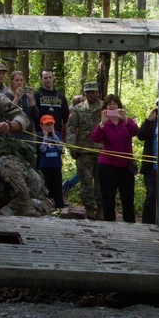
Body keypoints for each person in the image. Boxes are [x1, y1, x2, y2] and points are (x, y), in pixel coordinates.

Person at [90, 94, 139, 222]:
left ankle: (130, 224)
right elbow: (95, 138)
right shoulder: (104, 124)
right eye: (109, 104)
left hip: (125, 167)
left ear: (119, 106)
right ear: (105, 108)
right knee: (108, 198)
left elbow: (135, 132)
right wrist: (102, 123)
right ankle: (109, 225)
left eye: (115, 104)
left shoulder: (126, 121)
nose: (112, 106)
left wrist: (126, 120)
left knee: (127, 198)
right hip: (107, 166)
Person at [67, 83, 104, 219]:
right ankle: (89, 207)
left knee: (101, 180)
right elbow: (71, 128)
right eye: (88, 93)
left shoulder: (104, 107)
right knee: (86, 180)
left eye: (93, 92)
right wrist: (72, 147)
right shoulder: (78, 109)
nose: (90, 95)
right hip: (84, 150)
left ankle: (101, 207)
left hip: (102, 150)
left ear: (97, 92)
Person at [37, 114, 65, 209]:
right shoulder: (39, 135)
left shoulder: (56, 134)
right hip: (45, 166)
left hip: (56, 165)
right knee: (46, 187)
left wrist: (53, 135)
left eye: (51, 124)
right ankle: (47, 205)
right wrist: (45, 137)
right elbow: (42, 149)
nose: (49, 127)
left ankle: (59, 205)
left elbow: (60, 147)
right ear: (42, 125)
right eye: (47, 125)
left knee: (58, 187)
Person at [137, 101, 159, 224]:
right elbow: (140, 136)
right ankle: (147, 223)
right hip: (150, 166)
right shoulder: (152, 122)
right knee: (150, 194)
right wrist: (148, 119)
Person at [61, 94, 86, 196]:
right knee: (82, 172)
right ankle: (67, 185)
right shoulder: (73, 115)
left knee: (84, 172)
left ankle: (67, 185)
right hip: (78, 147)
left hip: (88, 146)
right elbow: (70, 132)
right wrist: (72, 147)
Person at [34, 69, 70, 140]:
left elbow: (66, 119)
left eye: (50, 77)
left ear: (53, 78)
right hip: (40, 134)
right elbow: (33, 115)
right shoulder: (36, 95)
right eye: (45, 78)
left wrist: (66, 136)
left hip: (56, 134)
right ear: (41, 79)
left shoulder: (61, 97)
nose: (48, 80)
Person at [8, 71, 39, 144]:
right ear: (12, 82)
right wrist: (17, 97)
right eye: (17, 80)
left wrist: (31, 99)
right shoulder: (7, 95)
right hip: (13, 132)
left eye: (21, 80)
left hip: (28, 133)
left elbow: (36, 115)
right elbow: (8, 113)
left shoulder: (28, 96)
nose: (19, 82)